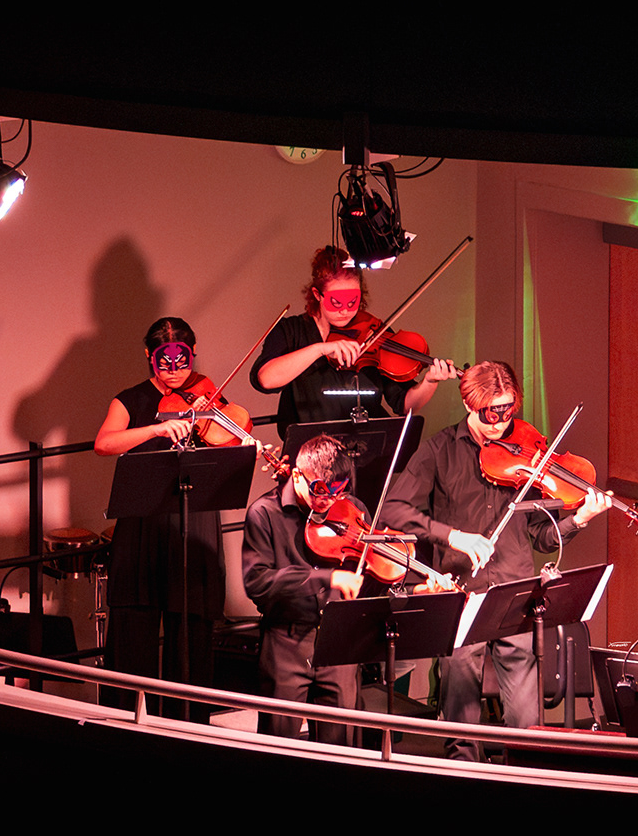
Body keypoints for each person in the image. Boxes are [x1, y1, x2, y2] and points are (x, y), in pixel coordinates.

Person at [383, 359, 607, 757]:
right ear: (469, 404)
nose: (500, 423)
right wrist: (452, 535)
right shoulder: (439, 450)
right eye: (491, 413)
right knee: (461, 718)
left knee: (527, 723)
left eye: (507, 411)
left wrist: (579, 519)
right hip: (462, 594)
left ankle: (523, 777)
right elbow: (394, 510)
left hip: (514, 593)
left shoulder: (525, 452)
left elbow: (542, 537)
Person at [92, 317, 224, 712]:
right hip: (143, 525)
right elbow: (104, 443)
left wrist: (212, 420)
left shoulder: (206, 395)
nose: (176, 373)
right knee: (133, 635)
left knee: (192, 636)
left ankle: (190, 727)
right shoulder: (130, 400)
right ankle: (124, 724)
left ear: (193, 354)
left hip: (193, 524)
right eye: (165, 364)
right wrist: (155, 430)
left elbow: (232, 439)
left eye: (183, 362)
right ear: (150, 357)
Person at [250, 245, 458, 447]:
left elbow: (404, 404)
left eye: (352, 302)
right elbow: (266, 379)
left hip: (367, 450)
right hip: (309, 453)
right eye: (336, 302)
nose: (345, 311)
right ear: (317, 294)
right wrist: (320, 349)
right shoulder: (291, 330)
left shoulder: (373, 331)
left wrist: (429, 382)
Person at [239, 432, 370, 740]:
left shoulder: (350, 509)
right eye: (319, 493)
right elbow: (257, 581)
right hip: (286, 642)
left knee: (340, 750)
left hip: (338, 643)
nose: (328, 503)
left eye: (337, 494)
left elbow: (369, 568)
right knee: (278, 746)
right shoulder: (264, 513)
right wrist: (325, 578)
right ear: (298, 476)